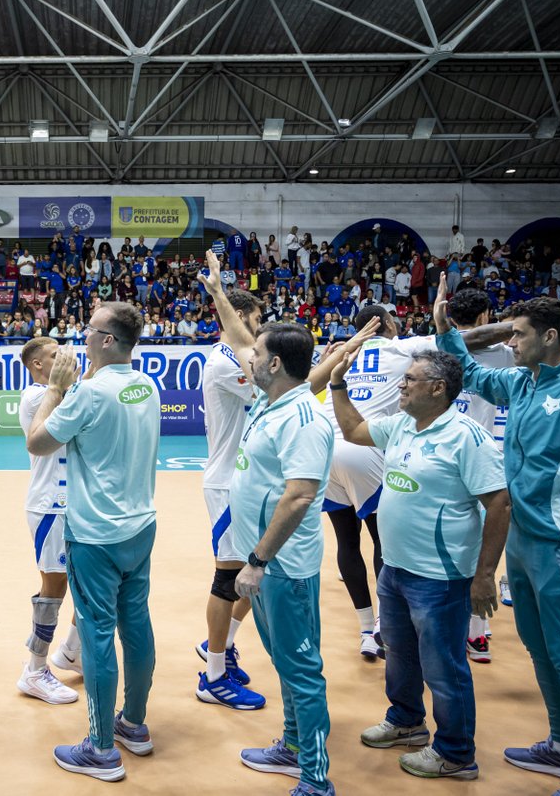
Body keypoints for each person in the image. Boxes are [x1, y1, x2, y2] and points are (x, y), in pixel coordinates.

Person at [434, 283, 560, 796]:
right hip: (522, 541)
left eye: (519, 334)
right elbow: (470, 373)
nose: (511, 342)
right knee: (539, 647)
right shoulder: (523, 382)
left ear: (549, 337)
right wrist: (445, 330)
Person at [330, 349, 509, 780]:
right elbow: (353, 430)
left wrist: (485, 575)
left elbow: (500, 503)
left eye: (411, 379)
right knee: (400, 653)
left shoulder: (467, 437)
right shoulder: (402, 425)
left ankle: (455, 754)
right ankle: (406, 722)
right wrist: (337, 384)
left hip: (441, 576)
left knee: (444, 667)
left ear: (438, 388)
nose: (402, 384)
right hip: (394, 568)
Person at [200, 266, 337, 796]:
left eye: (256, 355)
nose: (247, 357)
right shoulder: (272, 400)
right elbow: (240, 338)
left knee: (301, 669)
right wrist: (217, 293)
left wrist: (256, 561)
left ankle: (316, 778)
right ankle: (293, 745)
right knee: (285, 662)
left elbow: (299, 497)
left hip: (283, 567)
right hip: (267, 564)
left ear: (275, 364)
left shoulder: (303, 420)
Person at [316, 304, 509, 660]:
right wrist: (519, 325)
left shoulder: (343, 351)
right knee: (382, 540)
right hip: (365, 446)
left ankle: (365, 628)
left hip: (328, 446)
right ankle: (384, 625)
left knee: (346, 540)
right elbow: (467, 338)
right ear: (389, 324)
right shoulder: (402, 348)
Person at [25, 303, 160, 782]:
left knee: (98, 634)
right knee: (136, 625)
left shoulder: (87, 394)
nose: (81, 337)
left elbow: (37, 442)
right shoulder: (148, 385)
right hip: (140, 525)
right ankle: (134, 724)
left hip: (96, 534)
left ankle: (101, 749)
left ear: (106, 339)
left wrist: (56, 389)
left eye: (89, 329)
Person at [194, 280, 267, 710]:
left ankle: (218, 645)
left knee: (256, 572)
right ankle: (214, 677)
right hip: (226, 483)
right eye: (256, 319)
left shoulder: (234, 357)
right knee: (229, 578)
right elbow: (274, 387)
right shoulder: (225, 362)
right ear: (238, 317)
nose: (260, 327)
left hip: (244, 480)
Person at [445, 287, 515, 661]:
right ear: (487, 316)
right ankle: (477, 631)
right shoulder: (506, 354)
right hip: (487, 457)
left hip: (443, 456)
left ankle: (455, 626)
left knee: (447, 545)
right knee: (483, 547)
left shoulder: (440, 349)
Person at [15, 337, 80, 704]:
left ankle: (73, 651)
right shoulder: (37, 397)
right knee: (53, 586)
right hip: (50, 504)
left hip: (74, 503)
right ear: (38, 365)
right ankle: (35, 669)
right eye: (56, 356)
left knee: (85, 580)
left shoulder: (63, 392)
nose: (66, 360)